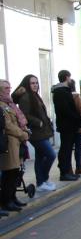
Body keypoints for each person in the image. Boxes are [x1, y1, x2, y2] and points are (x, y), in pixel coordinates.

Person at [11, 75, 56, 192]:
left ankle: (41, 183)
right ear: (27, 84)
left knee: (40, 157)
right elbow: (24, 114)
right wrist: (39, 122)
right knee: (51, 154)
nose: (35, 85)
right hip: (35, 133)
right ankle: (43, 179)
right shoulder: (26, 97)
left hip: (42, 131)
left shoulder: (35, 96)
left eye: (36, 83)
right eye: (32, 83)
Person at [0, 79, 30, 212]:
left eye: (9, 87)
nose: (9, 89)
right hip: (10, 142)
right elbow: (8, 125)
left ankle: (13, 198)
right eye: (6, 88)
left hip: (17, 142)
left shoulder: (9, 103)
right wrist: (22, 134)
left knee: (16, 172)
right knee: (10, 173)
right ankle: (6, 200)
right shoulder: (2, 104)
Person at [52, 70, 81, 181]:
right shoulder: (61, 92)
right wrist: (77, 119)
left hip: (69, 124)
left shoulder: (64, 91)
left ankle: (66, 171)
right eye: (69, 78)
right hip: (67, 125)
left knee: (67, 148)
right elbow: (67, 110)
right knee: (66, 149)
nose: (70, 80)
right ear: (67, 77)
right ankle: (64, 173)